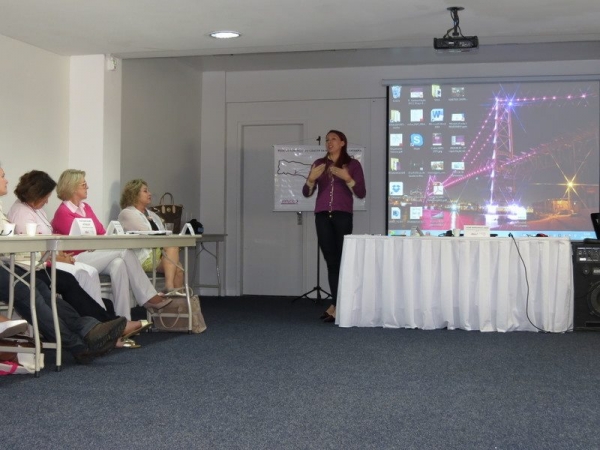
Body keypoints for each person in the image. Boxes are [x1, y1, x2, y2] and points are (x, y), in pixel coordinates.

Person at [7, 170, 151, 345]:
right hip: (37, 265)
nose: (47, 201)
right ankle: (106, 324)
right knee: (89, 270)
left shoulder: (38, 211)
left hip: (50, 260)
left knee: (114, 264)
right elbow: (32, 248)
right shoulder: (23, 212)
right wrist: (57, 258)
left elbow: (94, 233)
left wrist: (58, 256)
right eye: (45, 196)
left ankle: (112, 324)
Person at [51, 169, 172, 320]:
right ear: (72, 187)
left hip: (93, 254)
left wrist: (95, 243)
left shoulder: (86, 208)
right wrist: (95, 243)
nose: (87, 187)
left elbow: (101, 232)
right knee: (125, 252)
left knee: (119, 264)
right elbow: (79, 243)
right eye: (83, 184)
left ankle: (123, 319)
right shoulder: (63, 212)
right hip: (76, 258)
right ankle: (148, 297)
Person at [302, 130, 366, 322]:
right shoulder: (319, 164)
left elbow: (361, 193)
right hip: (322, 216)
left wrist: (347, 178)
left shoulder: (353, 165)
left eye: (334, 139)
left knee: (343, 260)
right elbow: (306, 193)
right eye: (327, 140)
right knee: (331, 261)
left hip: (342, 216)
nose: (329, 142)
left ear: (343, 142)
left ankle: (338, 305)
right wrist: (311, 179)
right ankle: (336, 304)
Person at [118, 179, 184, 294]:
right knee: (172, 247)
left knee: (178, 268)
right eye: (145, 191)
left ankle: (177, 300)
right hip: (141, 256)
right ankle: (169, 288)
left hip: (157, 253)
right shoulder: (127, 213)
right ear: (134, 194)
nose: (150, 194)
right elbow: (147, 234)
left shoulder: (152, 214)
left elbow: (163, 234)